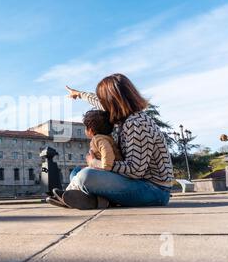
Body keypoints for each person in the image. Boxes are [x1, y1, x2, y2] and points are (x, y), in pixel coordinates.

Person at [59, 73, 173, 210]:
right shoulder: (125, 118)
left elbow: (135, 171)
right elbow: (97, 101)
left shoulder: (136, 124)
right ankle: (99, 201)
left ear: (112, 101)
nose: (101, 105)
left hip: (154, 189)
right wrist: (79, 94)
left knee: (85, 176)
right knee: (76, 171)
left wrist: (95, 163)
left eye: (104, 100)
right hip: (136, 182)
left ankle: (80, 197)